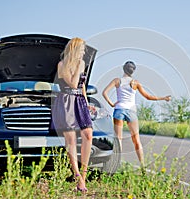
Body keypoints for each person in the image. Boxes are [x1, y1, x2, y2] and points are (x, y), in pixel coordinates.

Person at [102, 61, 171, 166]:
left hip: (119, 110)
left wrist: (112, 104)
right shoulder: (135, 83)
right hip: (131, 111)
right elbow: (148, 96)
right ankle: (142, 165)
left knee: (118, 139)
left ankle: (116, 164)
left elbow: (104, 92)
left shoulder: (117, 81)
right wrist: (163, 98)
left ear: (123, 69)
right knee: (136, 140)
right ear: (133, 71)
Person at [52, 37, 93, 193]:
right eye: (82, 49)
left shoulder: (81, 64)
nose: (84, 52)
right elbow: (73, 83)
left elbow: (81, 86)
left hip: (80, 101)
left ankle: (83, 174)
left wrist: (87, 102)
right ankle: (78, 177)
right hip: (66, 101)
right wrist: (78, 66)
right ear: (74, 49)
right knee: (71, 140)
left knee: (88, 134)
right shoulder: (62, 65)